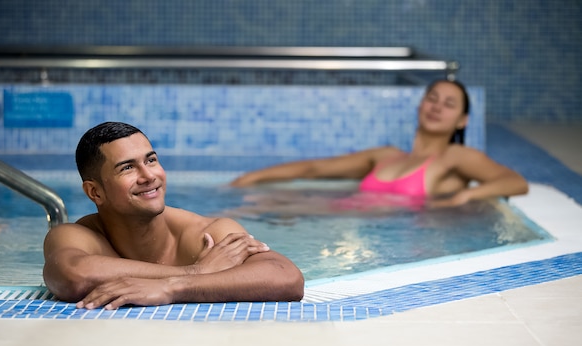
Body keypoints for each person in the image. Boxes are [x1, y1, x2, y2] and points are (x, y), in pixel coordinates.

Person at [42, 122, 304, 310]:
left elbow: (287, 277)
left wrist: (173, 287)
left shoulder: (206, 233)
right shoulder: (78, 236)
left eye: (151, 160)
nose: (148, 177)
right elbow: (72, 275)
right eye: (127, 168)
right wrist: (196, 270)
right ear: (95, 192)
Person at [231, 80, 529, 207]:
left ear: (462, 121)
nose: (437, 107)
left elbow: (514, 181)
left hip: (392, 236)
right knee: (256, 203)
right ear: (420, 105)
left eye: (449, 104)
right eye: (432, 98)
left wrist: (465, 198)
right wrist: (252, 177)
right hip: (340, 219)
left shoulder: (454, 156)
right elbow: (315, 168)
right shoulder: (386, 156)